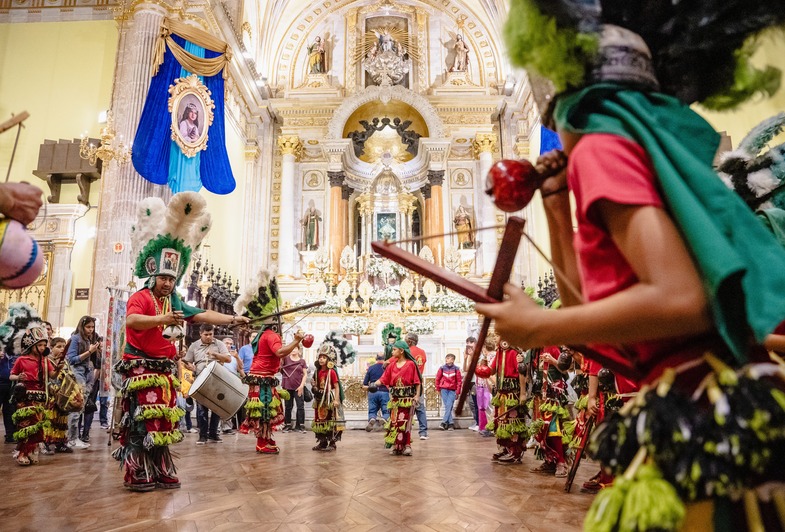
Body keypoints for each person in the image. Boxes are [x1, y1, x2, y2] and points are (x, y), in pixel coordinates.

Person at [480, 2, 785, 527]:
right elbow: (589, 315)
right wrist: (556, 205)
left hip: (701, 400)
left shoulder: (600, 148)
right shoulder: (630, 148)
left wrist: (539, 326)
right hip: (702, 392)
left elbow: (681, 299)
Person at [115, 191, 249, 491]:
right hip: (139, 367)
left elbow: (201, 313)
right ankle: (138, 470)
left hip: (163, 368)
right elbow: (132, 321)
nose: (168, 283)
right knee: (141, 419)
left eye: (172, 279)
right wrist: (162, 319)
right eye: (164, 278)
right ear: (153, 276)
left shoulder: (174, 301)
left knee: (163, 419)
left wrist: (233, 319)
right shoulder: (141, 297)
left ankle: (160, 467)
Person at [4, 306, 56, 466]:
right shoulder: (22, 360)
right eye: (39, 345)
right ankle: (22, 453)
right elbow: (11, 375)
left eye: (44, 345)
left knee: (38, 425)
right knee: (26, 424)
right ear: (31, 345)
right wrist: (18, 377)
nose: (42, 348)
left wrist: (59, 368)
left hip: (40, 397)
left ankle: (32, 450)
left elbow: (53, 375)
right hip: (25, 396)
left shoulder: (45, 361)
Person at [182, 324, 231, 444]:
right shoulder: (194, 346)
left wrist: (215, 354)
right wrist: (191, 367)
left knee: (216, 408)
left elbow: (228, 359)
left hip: (217, 379)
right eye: (206, 335)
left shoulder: (219, 344)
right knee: (202, 408)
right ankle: (202, 435)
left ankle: (213, 434)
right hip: (200, 380)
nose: (208, 337)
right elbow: (186, 361)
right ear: (200, 334)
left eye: (211, 334)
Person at [373, 340, 422, 456]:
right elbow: (384, 378)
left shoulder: (410, 364)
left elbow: (417, 382)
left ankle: (407, 445)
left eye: (394, 350)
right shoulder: (392, 365)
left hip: (407, 399)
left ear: (401, 351)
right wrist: (374, 384)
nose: (392, 352)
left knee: (405, 423)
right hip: (395, 400)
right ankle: (397, 446)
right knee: (395, 423)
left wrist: (417, 396)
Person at [486, 340, 526, 465]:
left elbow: (521, 372)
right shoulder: (499, 352)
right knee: (501, 422)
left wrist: (523, 393)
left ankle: (515, 452)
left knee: (512, 422)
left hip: (512, 393)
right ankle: (505, 448)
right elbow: (492, 371)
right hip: (501, 394)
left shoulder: (514, 353)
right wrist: (483, 367)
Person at [65, 315, 101, 448]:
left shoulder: (90, 339)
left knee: (81, 406)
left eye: (92, 327)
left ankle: (75, 437)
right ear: (82, 326)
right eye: (88, 327)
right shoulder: (75, 338)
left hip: (87, 372)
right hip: (77, 372)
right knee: (76, 405)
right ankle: (72, 438)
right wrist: (89, 352)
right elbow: (71, 359)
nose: (90, 329)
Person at [311, 343, 344, 451]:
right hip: (319, 399)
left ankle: (332, 443)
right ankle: (322, 442)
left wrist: (336, 400)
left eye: (324, 357)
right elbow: (315, 383)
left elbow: (336, 386)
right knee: (320, 420)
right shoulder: (317, 371)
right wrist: (314, 385)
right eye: (320, 357)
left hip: (329, 399)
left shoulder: (331, 372)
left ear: (329, 360)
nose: (321, 359)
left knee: (331, 419)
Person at [44, 337, 73, 454]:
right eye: (59, 347)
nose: (62, 349)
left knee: (61, 420)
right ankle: (46, 442)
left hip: (63, 395)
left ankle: (60, 443)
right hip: (51, 394)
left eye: (64, 347)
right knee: (49, 420)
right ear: (51, 348)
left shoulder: (65, 361)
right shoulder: (47, 361)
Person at [405, 331, 428, 440]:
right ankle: (423, 433)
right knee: (420, 408)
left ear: (409, 341)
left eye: (405, 340)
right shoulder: (422, 352)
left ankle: (405, 432)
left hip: (407, 383)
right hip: (419, 382)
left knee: (406, 408)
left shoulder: (407, 351)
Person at [281, 343, 308, 433]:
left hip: (298, 387)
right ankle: (287, 425)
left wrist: (301, 386)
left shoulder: (302, 361)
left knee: (300, 406)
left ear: (299, 350)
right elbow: (280, 368)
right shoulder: (285, 359)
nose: (293, 350)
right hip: (287, 387)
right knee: (288, 406)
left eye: (295, 348)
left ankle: (300, 426)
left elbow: (305, 374)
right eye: (291, 348)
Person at [435, 354, 461, 430]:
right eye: (446, 358)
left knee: (449, 405)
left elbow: (459, 382)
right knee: (448, 406)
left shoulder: (456, 369)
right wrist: (438, 389)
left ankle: (443, 422)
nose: (447, 359)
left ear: (453, 360)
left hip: (452, 390)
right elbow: (437, 379)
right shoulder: (442, 368)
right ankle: (451, 424)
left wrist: (457, 392)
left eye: (449, 358)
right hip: (444, 389)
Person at [362, 354, 389, 431]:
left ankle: (372, 419)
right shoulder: (387, 368)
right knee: (386, 411)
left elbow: (365, 384)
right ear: (384, 359)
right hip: (384, 391)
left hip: (372, 391)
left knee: (372, 410)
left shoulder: (371, 368)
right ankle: (384, 418)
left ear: (376, 359)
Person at [461, 336, 478, 430]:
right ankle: (477, 422)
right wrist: (465, 358)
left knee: (475, 403)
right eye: (467, 343)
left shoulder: (478, 354)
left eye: (471, 343)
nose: (469, 345)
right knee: (471, 403)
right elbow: (466, 369)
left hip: (477, 381)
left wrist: (472, 356)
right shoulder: (470, 355)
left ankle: (479, 423)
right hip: (471, 382)